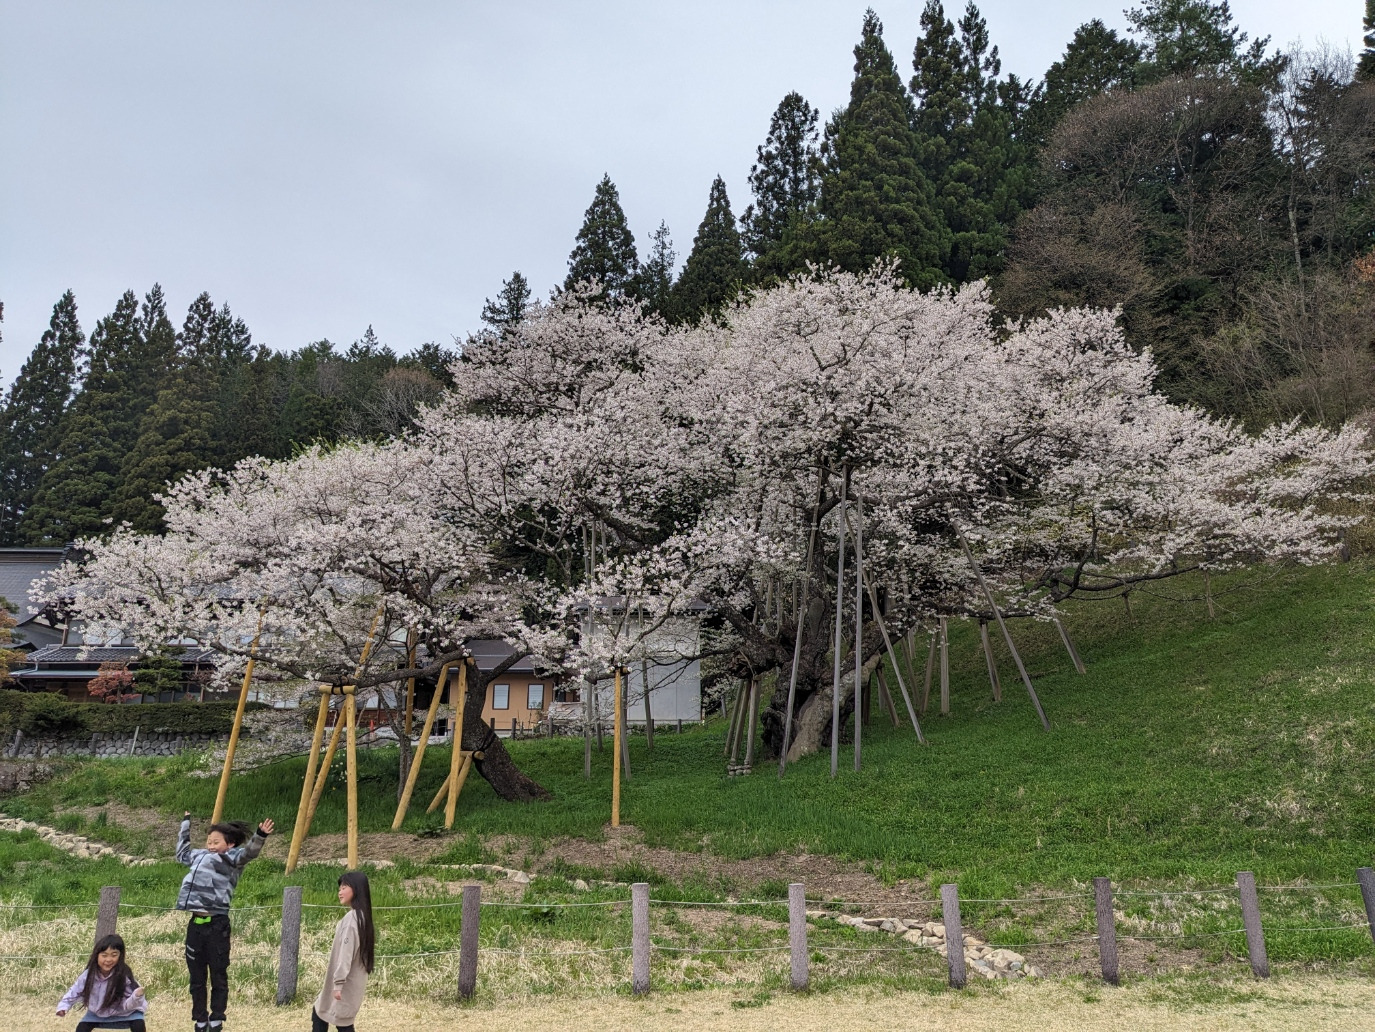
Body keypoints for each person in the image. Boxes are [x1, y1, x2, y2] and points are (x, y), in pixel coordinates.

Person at [175, 810, 274, 1032]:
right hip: (195, 924)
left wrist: (260, 835)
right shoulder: (199, 855)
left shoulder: (232, 859)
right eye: (209, 841)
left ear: (229, 844)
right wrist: (185, 825)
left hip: (217, 924)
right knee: (196, 976)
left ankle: (217, 1018)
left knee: (218, 973)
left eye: (216, 842)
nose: (211, 845)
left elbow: (250, 853)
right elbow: (182, 854)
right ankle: (200, 1019)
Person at [312, 870, 376, 1032]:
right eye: (339, 888)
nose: (340, 892)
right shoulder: (363, 917)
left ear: (357, 889)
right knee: (321, 1013)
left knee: (337, 1022)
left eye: (344, 887)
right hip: (353, 983)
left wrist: (338, 984)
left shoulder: (351, 920)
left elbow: (345, 956)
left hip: (344, 984)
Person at [55, 933, 148, 1032]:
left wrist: (136, 997)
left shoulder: (124, 976)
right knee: (81, 1028)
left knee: (138, 1025)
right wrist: (63, 1006)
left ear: (120, 956)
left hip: (125, 1012)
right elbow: (74, 991)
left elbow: (129, 1004)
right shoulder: (88, 975)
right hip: (98, 1013)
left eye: (114, 955)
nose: (108, 959)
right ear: (96, 956)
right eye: (104, 955)